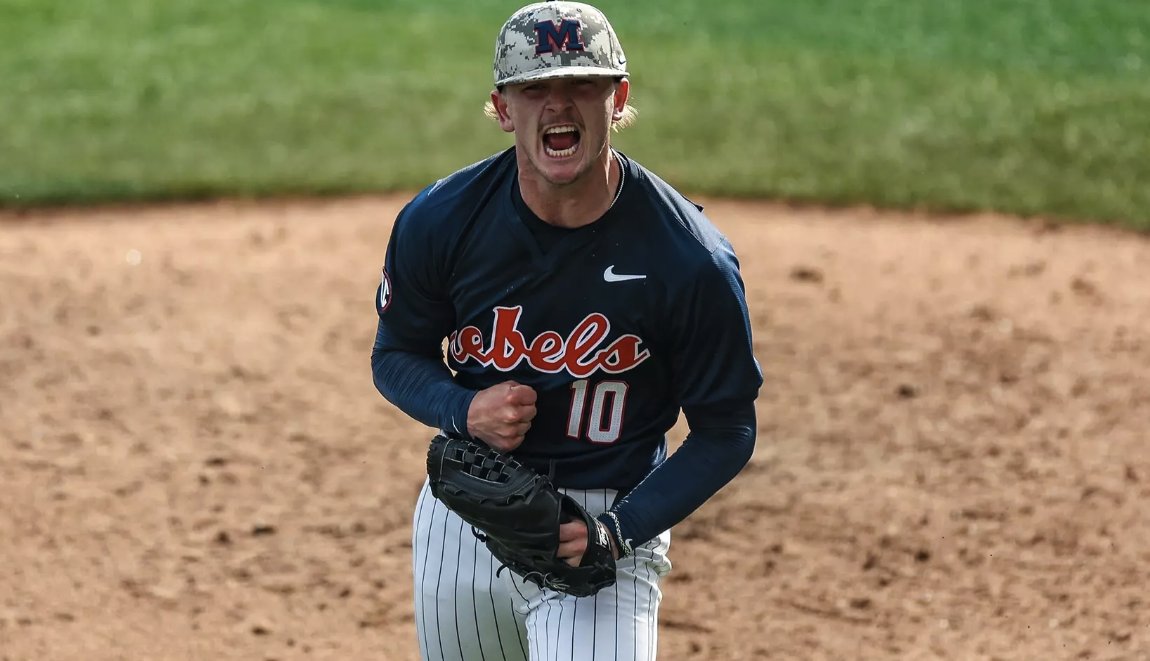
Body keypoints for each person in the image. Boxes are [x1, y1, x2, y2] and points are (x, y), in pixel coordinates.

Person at [370, 2, 763, 659]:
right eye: (535, 89)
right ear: (502, 108)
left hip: (607, 527)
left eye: (583, 84)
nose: (559, 106)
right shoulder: (441, 222)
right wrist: (461, 407)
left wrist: (618, 529)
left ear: (618, 98)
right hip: (464, 518)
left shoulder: (689, 258)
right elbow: (396, 353)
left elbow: (728, 429)